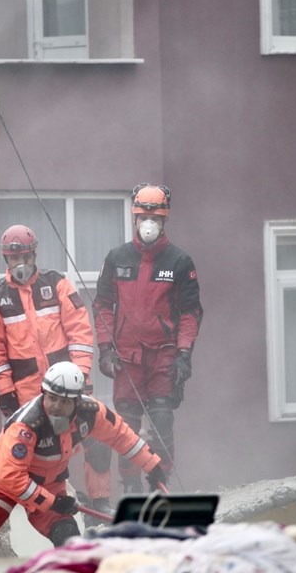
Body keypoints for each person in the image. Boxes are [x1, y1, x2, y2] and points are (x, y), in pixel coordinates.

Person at [0, 362, 167, 560]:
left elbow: (121, 435)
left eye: (64, 401)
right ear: (43, 393)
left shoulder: (91, 412)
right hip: (1, 482)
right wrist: (52, 502)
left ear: (78, 401)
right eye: (52, 398)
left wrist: (152, 465)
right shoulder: (27, 424)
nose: (56, 406)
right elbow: (11, 476)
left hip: (49, 483)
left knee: (69, 541)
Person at [0, 224, 113, 515]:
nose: (20, 263)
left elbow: (80, 332)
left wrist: (82, 376)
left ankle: (100, 501)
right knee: (37, 458)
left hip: (68, 387)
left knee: (95, 437)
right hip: (29, 396)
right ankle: (49, 512)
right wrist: (6, 391)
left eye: (25, 256)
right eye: (15, 258)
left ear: (34, 254)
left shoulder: (57, 284)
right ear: (6, 259)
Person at [93, 184, 203, 491]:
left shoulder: (179, 262)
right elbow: (102, 305)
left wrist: (184, 355)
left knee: (161, 419)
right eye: (143, 217)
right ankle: (130, 485)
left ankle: (159, 481)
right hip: (126, 356)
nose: (149, 224)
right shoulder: (117, 258)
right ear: (135, 219)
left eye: (154, 218)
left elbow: (191, 312)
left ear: (164, 221)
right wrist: (105, 349)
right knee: (126, 424)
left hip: (163, 355)